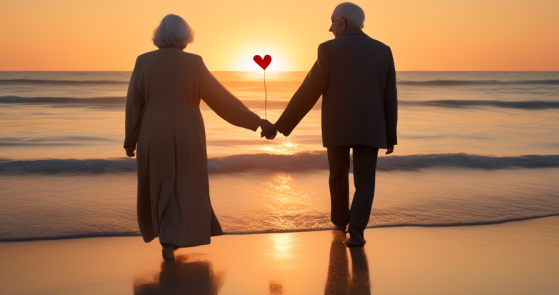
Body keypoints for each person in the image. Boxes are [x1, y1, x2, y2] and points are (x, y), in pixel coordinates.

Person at [124, 14, 277, 260]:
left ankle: (168, 238)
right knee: (183, 184)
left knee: (159, 183)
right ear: (186, 37)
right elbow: (221, 100)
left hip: (153, 131)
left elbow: (134, 104)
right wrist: (257, 122)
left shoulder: (143, 61)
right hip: (188, 129)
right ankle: (172, 239)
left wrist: (130, 140)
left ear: (158, 36)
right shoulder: (194, 63)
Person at [263, 2, 398, 247]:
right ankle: (356, 232)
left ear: (343, 22)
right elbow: (390, 96)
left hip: (338, 127)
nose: (330, 28)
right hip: (372, 127)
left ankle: (340, 222)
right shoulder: (383, 50)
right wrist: (390, 135)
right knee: (366, 182)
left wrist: (280, 125)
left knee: (337, 176)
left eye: (332, 22)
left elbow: (308, 91)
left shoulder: (328, 49)